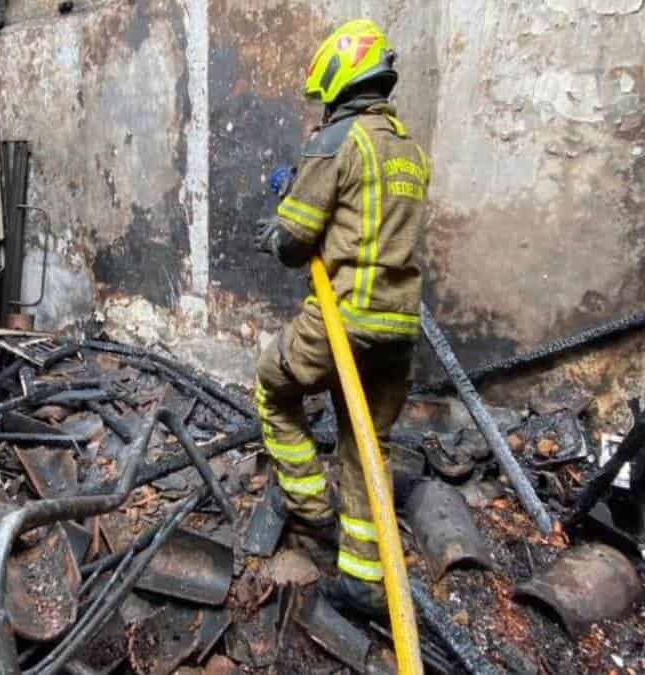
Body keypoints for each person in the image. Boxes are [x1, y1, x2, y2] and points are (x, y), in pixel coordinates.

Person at [254, 18, 430, 617]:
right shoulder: (409, 150)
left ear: (340, 79)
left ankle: (310, 511)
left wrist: (275, 230)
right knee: (364, 443)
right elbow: (363, 218)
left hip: (342, 321)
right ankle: (361, 576)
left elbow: (296, 241)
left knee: (272, 388)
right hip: (399, 331)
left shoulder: (337, 140)